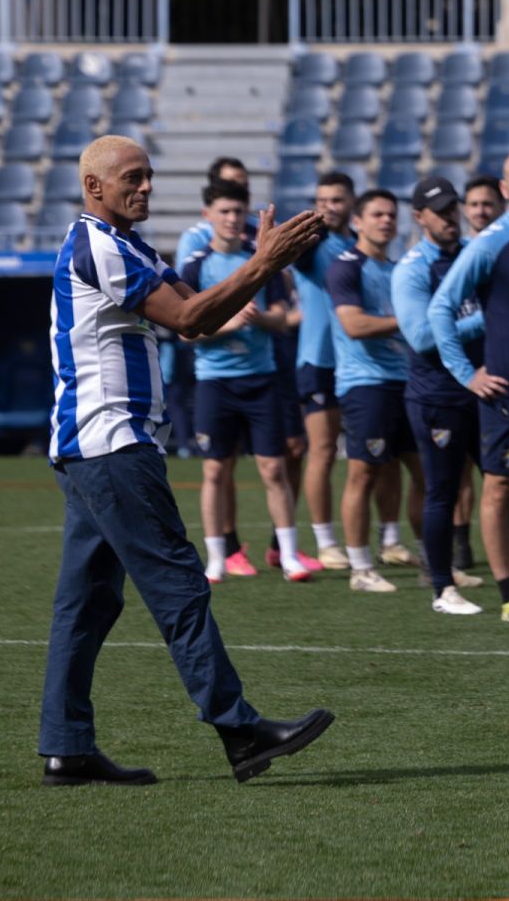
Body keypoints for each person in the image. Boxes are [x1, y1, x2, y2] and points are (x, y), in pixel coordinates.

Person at [40, 135, 333, 787]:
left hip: (92, 446)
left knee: (86, 604)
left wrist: (260, 264)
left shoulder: (127, 246)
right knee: (178, 585)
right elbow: (190, 317)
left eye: (148, 175)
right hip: (112, 444)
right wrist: (264, 263)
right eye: (132, 178)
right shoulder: (101, 247)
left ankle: (66, 749)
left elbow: (203, 315)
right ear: (94, 188)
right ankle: (239, 730)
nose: (146, 186)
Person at [431, 150, 509, 625]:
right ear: (505, 189)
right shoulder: (490, 242)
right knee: (500, 487)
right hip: (505, 388)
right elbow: (441, 307)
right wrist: (467, 373)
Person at [179, 179, 313, 585]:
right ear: (207, 215)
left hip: (261, 378)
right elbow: (185, 329)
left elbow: (284, 317)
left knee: (273, 468)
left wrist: (261, 319)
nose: (232, 218)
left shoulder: (263, 261)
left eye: (238, 211)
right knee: (215, 471)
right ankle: (216, 558)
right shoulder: (195, 266)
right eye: (224, 211)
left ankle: (288, 556)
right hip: (215, 382)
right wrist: (227, 323)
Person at [393, 176, 489, 616]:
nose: (451, 217)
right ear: (419, 217)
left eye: (454, 208)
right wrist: (490, 320)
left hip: (485, 389)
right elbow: (422, 337)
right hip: (439, 395)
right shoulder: (412, 268)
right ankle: (442, 587)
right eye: (441, 211)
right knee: (442, 491)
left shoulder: (474, 254)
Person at [329, 189, 419, 594]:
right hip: (365, 382)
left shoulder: (398, 269)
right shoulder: (346, 267)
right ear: (358, 222)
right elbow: (354, 325)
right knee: (362, 473)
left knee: (420, 471)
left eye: (391, 215)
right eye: (377, 214)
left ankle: (426, 561)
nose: (386, 221)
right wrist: (408, 320)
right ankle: (361, 569)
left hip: (405, 379)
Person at [291, 171, 356, 569]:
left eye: (336, 199)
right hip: (319, 360)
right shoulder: (312, 244)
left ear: (351, 202)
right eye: (322, 200)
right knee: (324, 450)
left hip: (360, 362)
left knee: (374, 456)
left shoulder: (360, 243)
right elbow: (293, 254)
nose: (329, 206)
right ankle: (326, 542)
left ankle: (384, 538)